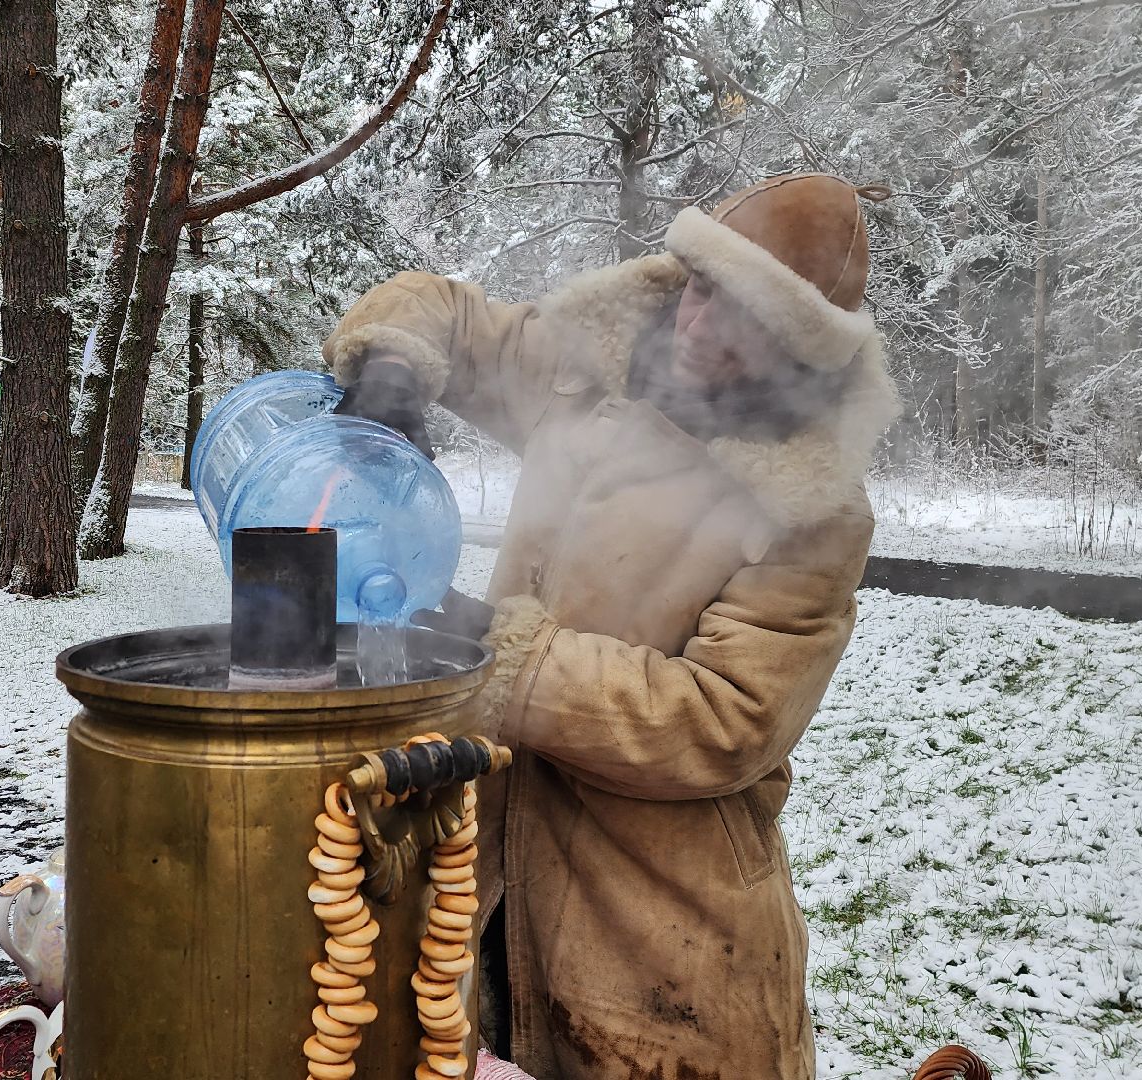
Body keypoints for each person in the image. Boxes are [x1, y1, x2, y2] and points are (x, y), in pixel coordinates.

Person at [325, 173, 900, 1080]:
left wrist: (509, 660)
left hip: (659, 925)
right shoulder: (586, 376)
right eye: (704, 291)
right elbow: (445, 311)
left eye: (746, 321)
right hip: (491, 873)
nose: (702, 331)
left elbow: (723, 721)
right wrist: (396, 368)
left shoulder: (812, 512)